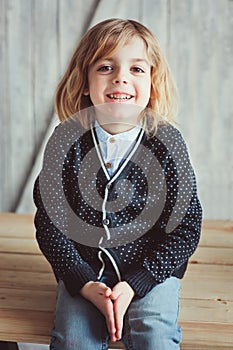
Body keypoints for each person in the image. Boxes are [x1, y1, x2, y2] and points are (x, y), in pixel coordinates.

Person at [33, 18, 202, 350]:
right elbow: (49, 222)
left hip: (151, 272)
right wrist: (81, 281)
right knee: (72, 340)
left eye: (137, 70)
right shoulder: (65, 139)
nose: (121, 77)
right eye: (106, 67)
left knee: (153, 336)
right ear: (84, 82)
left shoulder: (167, 142)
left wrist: (137, 283)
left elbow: (187, 227)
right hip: (84, 272)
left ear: (153, 83)